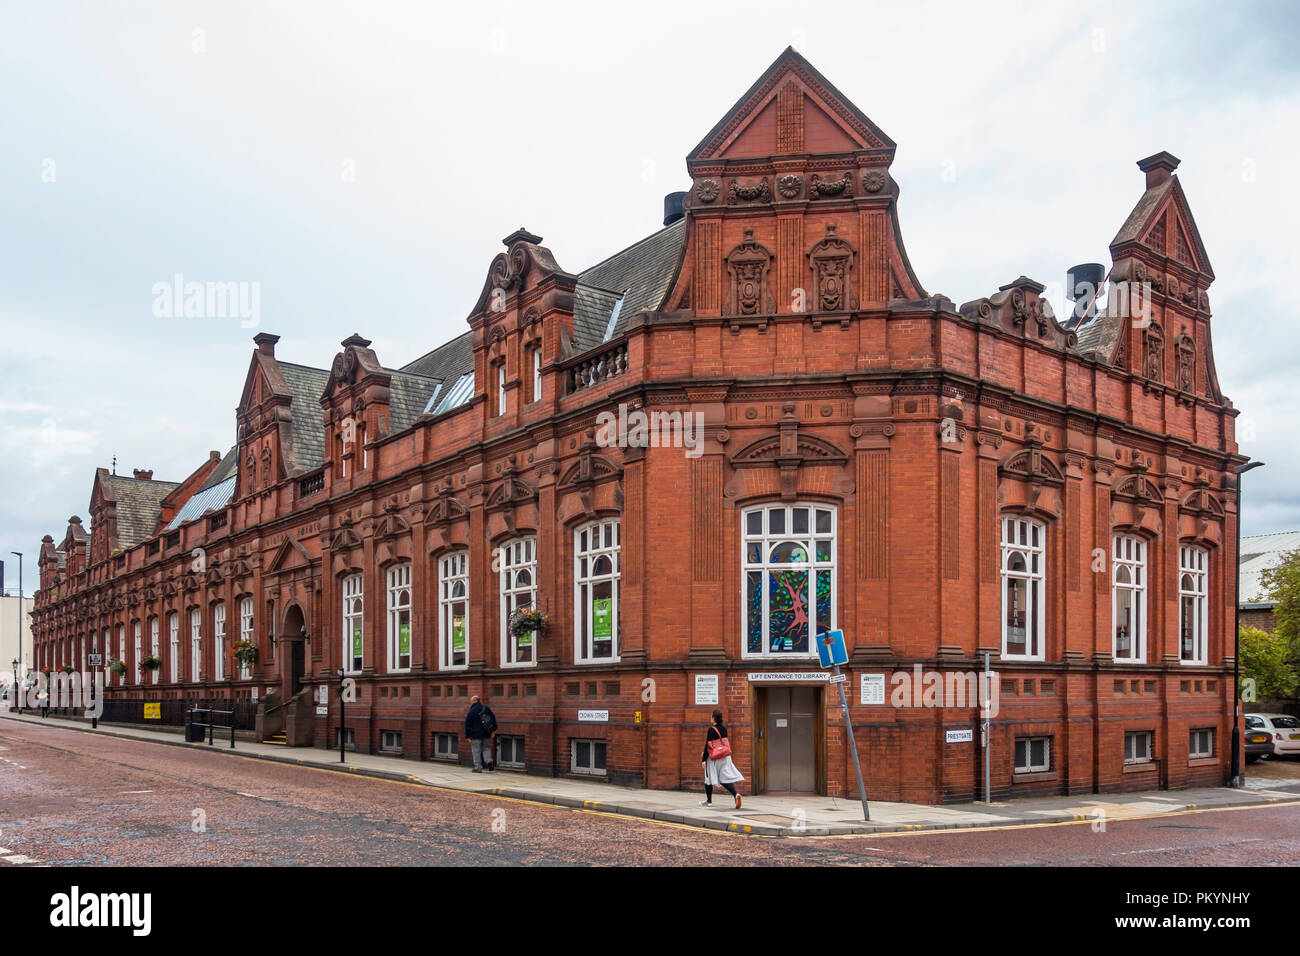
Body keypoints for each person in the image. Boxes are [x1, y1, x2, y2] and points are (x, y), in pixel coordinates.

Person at [700, 708, 743, 808]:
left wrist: (704, 759)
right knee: (724, 778)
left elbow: (708, 745)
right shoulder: (724, 729)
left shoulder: (711, 729)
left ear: (714, 718)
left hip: (714, 757)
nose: (710, 718)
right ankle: (736, 795)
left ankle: (709, 801)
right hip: (725, 756)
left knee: (708, 778)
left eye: (711, 716)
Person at [465, 695, 497, 772]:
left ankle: (478, 767)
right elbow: (493, 719)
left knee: (476, 751)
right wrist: (493, 731)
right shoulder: (486, 708)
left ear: (473, 701)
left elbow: (467, 724)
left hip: (475, 735)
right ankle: (489, 761)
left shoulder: (471, 712)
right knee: (486, 748)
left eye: (471, 701)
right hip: (486, 734)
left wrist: (468, 736)